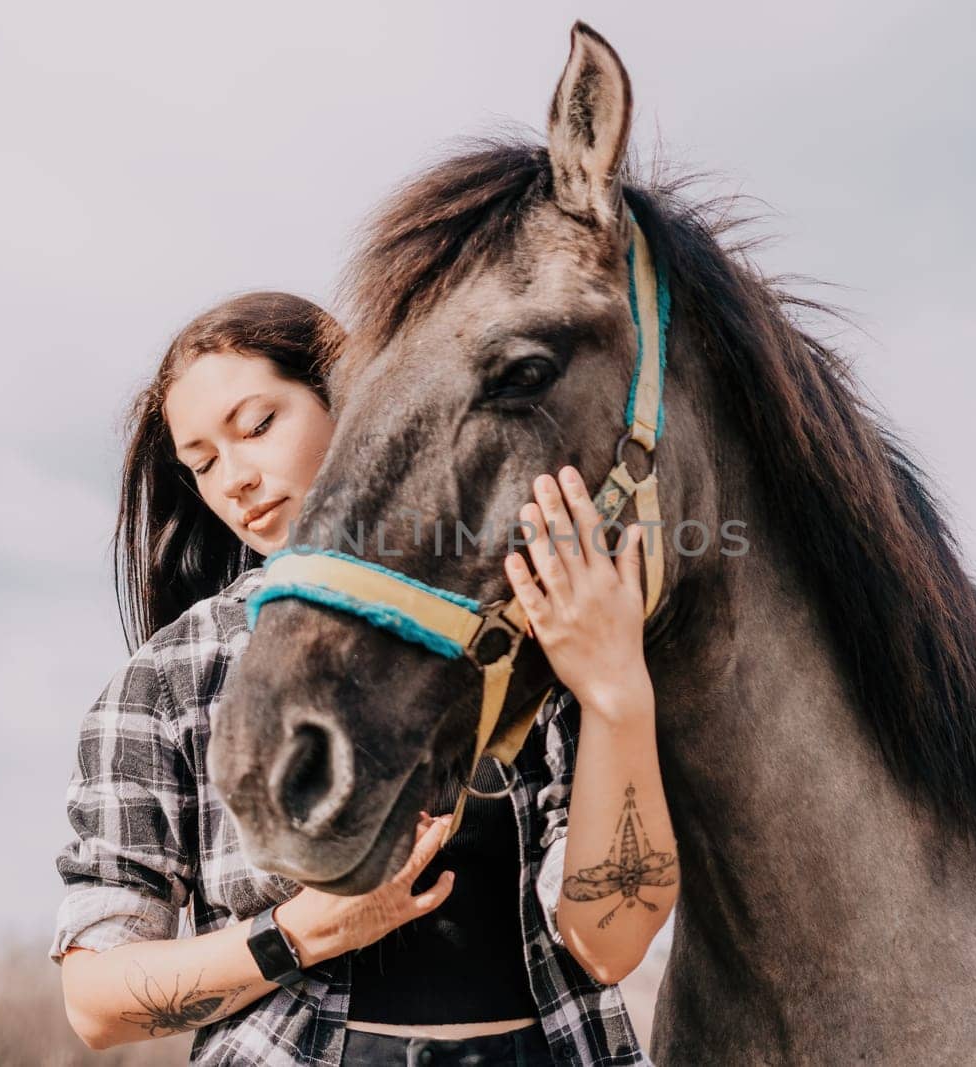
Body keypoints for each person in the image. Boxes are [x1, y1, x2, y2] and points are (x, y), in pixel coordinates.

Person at [50, 291, 678, 1065]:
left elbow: (611, 944)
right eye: (204, 463)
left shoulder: (523, 628)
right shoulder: (171, 679)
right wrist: (300, 933)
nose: (235, 478)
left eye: (257, 426)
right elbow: (96, 1001)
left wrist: (617, 691)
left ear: (354, 395)